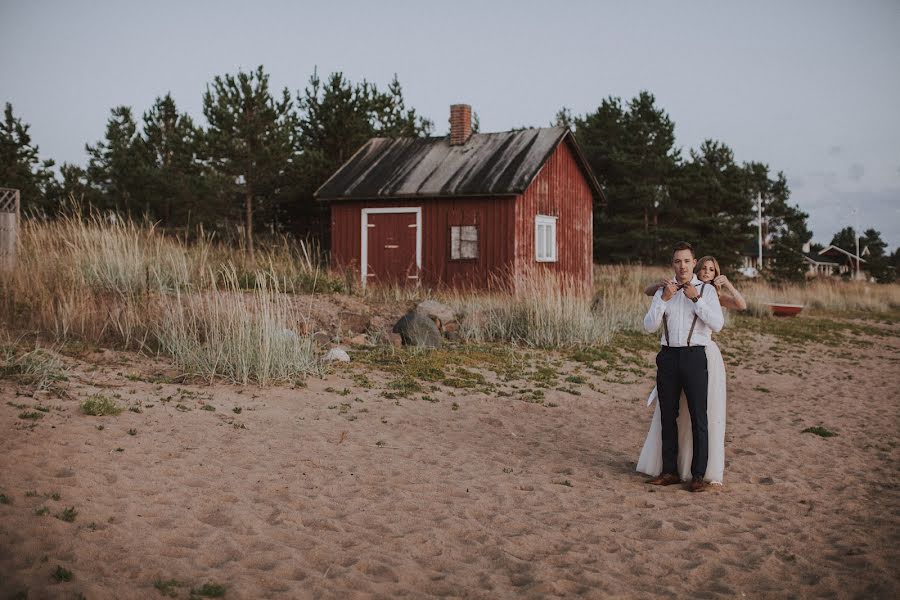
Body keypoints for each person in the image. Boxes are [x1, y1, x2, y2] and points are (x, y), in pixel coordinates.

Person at [637, 256, 739, 487]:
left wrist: (697, 299)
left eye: (686, 261)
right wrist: (663, 299)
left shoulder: (708, 291)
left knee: (698, 416)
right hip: (668, 356)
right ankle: (670, 471)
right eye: (677, 261)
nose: (682, 265)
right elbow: (649, 326)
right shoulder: (664, 290)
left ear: (693, 263)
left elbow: (717, 324)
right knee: (667, 415)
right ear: (672, 265)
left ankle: (698, 475)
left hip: (695, 356)